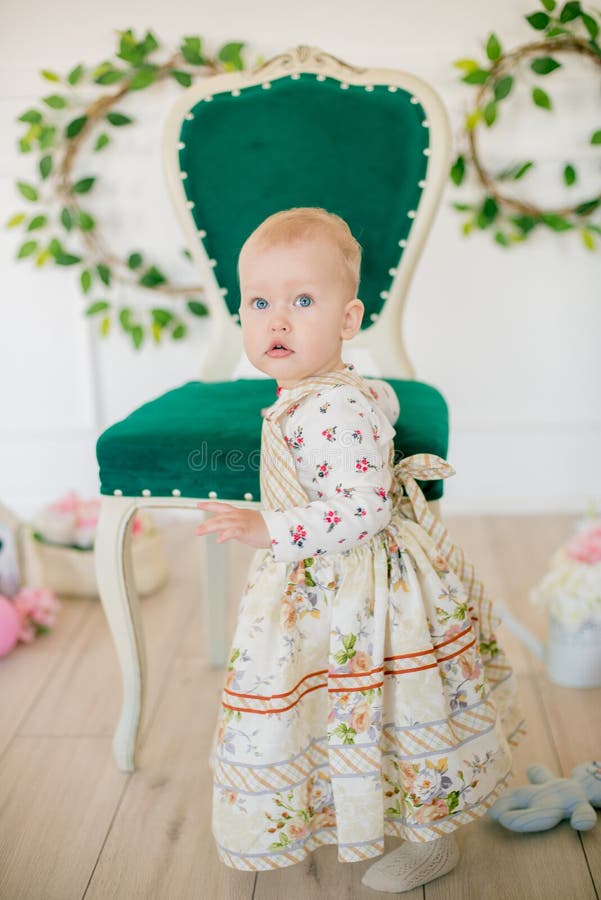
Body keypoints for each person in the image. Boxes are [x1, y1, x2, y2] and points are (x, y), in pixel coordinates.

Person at [195, 207, 526, 892]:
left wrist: (269, 529)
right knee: (330, 701)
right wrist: (376, 400)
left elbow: (364, 507)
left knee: (388, 703)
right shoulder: (325, 392)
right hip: (321, 577)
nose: (276, 321)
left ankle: (431, 841)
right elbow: (379, 402)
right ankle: (348, 808)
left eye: (302, 301)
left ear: (348, 321)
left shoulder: (331, 409)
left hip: (354, 585)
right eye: (258, 302)